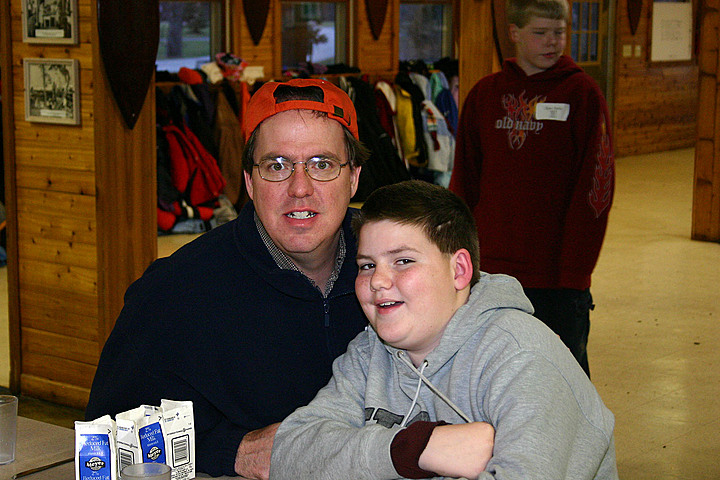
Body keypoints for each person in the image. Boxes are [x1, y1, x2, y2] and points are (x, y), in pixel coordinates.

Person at [85, 78, 370, 479]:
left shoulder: (396, 274)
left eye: (322, 164)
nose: (300, 188)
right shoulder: (175, 292)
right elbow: (105, 443)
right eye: (277, 166)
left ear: (353, 178)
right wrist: (234, 450)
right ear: (250, 183)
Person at [269, 180, 618, 480]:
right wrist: (412, 449)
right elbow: (288, 455)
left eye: (403, 260)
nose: (377, 280)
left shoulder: (523, 361)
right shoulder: (369, 352)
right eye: (367, 265)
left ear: (459, 270)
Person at [449, 0, 615, 377]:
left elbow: (596, 191)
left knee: (564, 375)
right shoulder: (485, 94)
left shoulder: (583, 94)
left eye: (559, 33)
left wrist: (575, 271)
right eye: (540, 33)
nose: (552, 42)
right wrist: (461, 256)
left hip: (557, 276)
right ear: (514, 34)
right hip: (491, 271)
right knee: (493, 371)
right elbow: (464, 181)